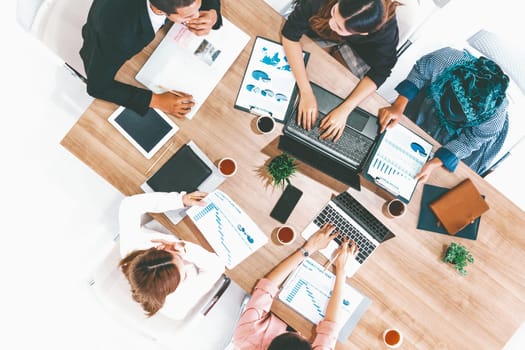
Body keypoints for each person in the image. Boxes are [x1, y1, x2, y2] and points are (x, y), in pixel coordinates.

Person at [377, 47, 510, 179]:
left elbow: (471, 140)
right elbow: (419, 73)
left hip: (469, 131)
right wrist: (398, 106)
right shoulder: (445, 60)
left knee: (442, 176)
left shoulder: (495, 117)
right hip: (431, 102)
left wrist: (436, 162)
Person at [281, 0, 400, 141]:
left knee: (335, 93)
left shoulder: (386, 31)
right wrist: (306, 92)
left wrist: (345, 110)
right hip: (317, 29)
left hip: (358, 52)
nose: (332, 23)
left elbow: (380, 72)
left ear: (362, 33)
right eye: (334, 12)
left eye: (339, 26)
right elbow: (289, 35)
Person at [80, 0, 222, 118]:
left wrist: (212, 13)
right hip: (106, 44)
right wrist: (158, 101)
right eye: (187, 16)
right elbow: (97, 87)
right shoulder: (120, 39)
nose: (196, 15)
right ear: (161, 11)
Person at [232, 223, 359, 349]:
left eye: (298, 335)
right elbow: (330, 328)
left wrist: (309, 248)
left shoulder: (245, 338)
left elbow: (267, 287)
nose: (301, 334)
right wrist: (342, 270)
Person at [118, 190, 225, 319]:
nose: (184, 261)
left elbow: (129, 205)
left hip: (174, 222)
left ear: (157, 248)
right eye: (184, 274)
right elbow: (217, 267)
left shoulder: (132, 248)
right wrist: (185, 250)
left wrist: (180, 200)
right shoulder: (178, 303)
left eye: (177, 257)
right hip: (206, 245)